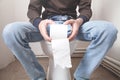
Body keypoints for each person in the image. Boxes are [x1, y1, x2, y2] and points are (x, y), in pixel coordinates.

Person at [2, 0, 118, 80]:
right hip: (47, 24)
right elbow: (33, 10)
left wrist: (78, 21)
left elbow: (86, 10)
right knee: (10, 32)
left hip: (71, 24)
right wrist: (39, 23)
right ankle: (38, 77)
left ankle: (81, 76)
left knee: (109, 30)